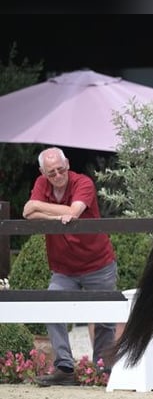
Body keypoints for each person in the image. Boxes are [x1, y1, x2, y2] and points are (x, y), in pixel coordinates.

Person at [22, 147, 118, 386]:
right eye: (51, 173)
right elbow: (26, 211)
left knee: (105, 317)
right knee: (51, 306)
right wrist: (56, 217)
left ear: (68, 165)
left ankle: (101, 369)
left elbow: (74, 212)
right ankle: (64, 366)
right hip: (63, 268)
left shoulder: (82, 182)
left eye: (60, 169)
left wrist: (40, 207)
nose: (57, 175)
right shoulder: (41, 183)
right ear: (42, 172)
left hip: (98, 263)